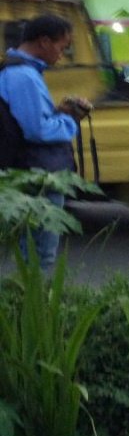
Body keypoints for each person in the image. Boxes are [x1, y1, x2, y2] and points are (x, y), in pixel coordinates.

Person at [0, 14, 90, 271]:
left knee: (32, 253)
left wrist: (58, 112)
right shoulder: (24, 76)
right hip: (38, 176)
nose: (62, 55)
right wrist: (71, 119)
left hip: (27, 172)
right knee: (39, 257)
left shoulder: (16, 70)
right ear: (44, 42)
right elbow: (38, 131)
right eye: (62, 47)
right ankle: (33, 309)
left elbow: (29, 121)